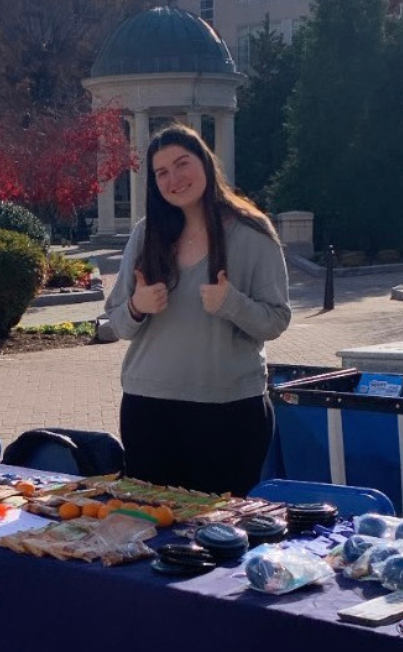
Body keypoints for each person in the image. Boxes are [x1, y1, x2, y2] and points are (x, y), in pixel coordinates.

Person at [103, 123, 291, 496]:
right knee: (153, 531)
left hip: (228, 413)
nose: (174, 178)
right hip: (149, 409)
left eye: (182, 163)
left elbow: (276, 319)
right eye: (162, 172)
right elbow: (118, 323)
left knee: (219, 537)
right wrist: (138, 307)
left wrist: (232, 303)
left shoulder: (252, 234)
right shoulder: (146, 234)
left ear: (205, 163)